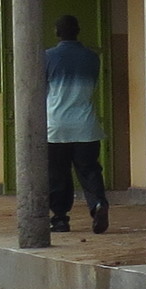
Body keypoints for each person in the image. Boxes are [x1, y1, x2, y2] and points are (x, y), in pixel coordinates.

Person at [45, 13, 107, 234]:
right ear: (78, 30)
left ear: (57, 32)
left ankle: (60, 218)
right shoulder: (92, 57)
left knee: (58, 174)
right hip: (86, 127)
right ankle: (98, 204)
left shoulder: (48, 57)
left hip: (56, 126)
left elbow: (40, 89)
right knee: (89, 170)